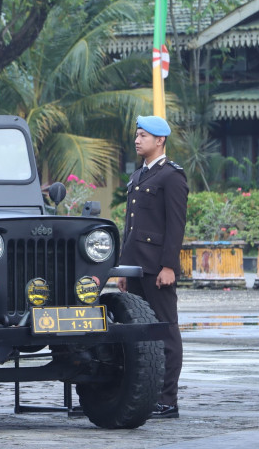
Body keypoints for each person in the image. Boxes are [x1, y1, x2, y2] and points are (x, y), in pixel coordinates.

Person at [116, 115, 188, 420]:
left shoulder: (171, 177)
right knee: (137, 332)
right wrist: (122, 266)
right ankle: (140, 392)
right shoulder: (138, 176)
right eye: (137, 135)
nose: (137, 140)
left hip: (157, 268)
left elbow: (176, 226)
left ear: (160, 140)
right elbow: (129, 228)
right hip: (135, 267)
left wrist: (169, 266)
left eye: (143, 135)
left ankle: (167, 399)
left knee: (165, 330)